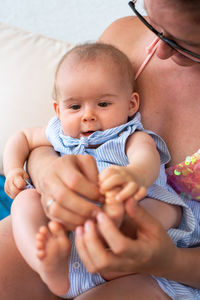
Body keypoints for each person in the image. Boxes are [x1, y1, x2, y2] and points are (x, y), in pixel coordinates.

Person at [1, 0, 200, 299]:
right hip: (64, 227)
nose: (157, 49)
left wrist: (167, 262)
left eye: (182, 42)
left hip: (170, 266)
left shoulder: (133, 140)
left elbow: (143, 161)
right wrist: (47, 175)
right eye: (152, 20)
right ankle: (52, 269)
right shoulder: (124, 39)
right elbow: (51, 137)